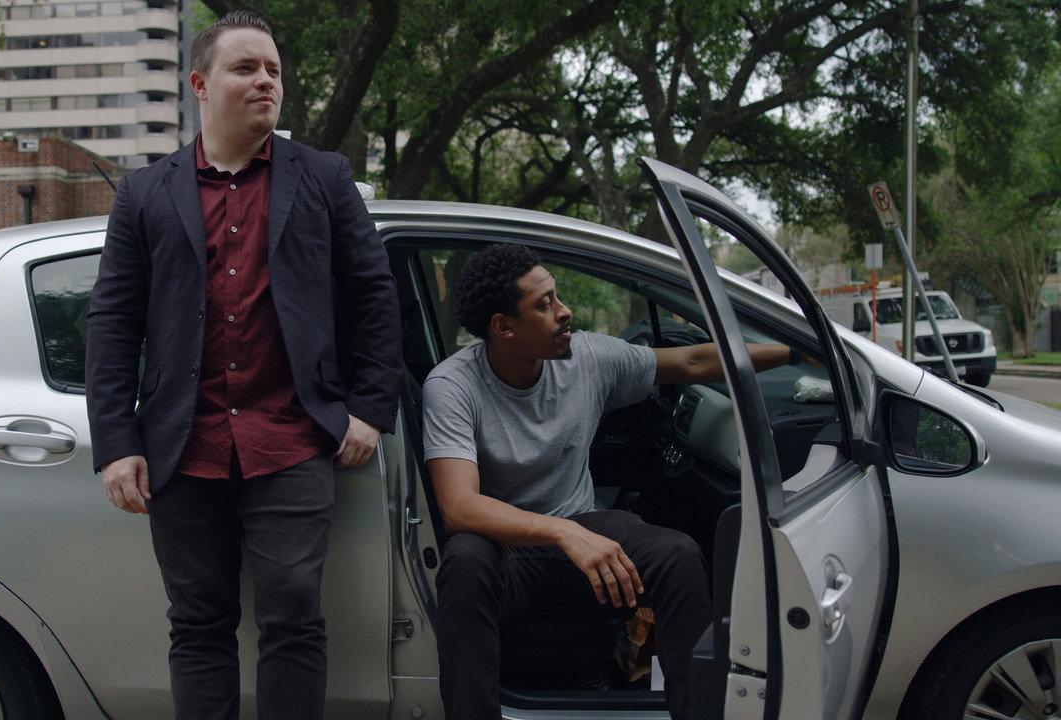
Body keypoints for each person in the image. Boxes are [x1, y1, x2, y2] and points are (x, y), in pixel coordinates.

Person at [84, 10, 402, 720]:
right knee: (198, 625)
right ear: (200, 84)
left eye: (274, 70)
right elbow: (113, 322)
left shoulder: (323, 177)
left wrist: (369, 409)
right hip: (180, 447)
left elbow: (375, 295)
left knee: (293, 618)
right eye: (246, 68)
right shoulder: (145, 193)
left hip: (291, 440)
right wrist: (116, 442)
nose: (266, 81)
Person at [423, 243, 807, 720]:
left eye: (557, 295)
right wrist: (565, 533)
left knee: (677, 555)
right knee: (465, 559)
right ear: (504, 327)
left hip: (583, 524)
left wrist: (799, 351)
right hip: (509, 550)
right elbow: (459, 506)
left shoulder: (587, 358)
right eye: (544, 305)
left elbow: (691, 363)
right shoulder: (453, 386)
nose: (564, 311)